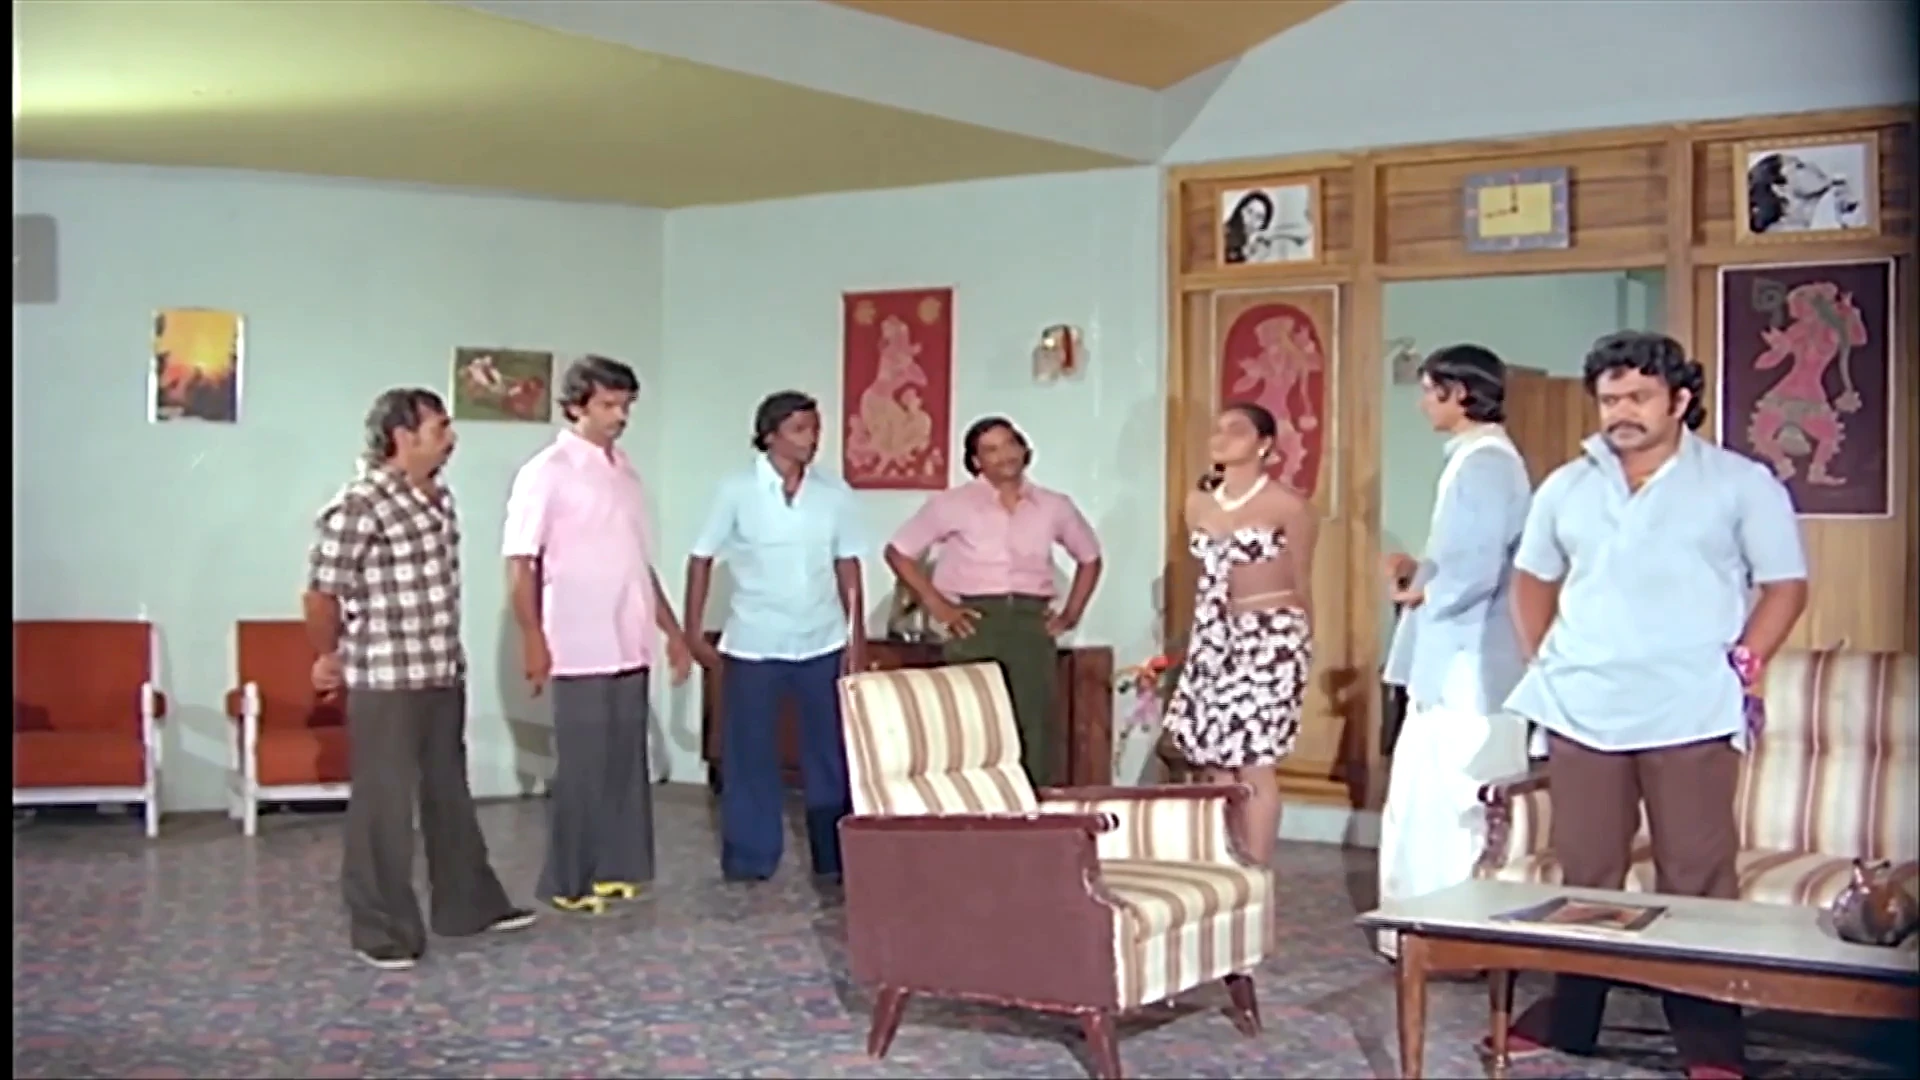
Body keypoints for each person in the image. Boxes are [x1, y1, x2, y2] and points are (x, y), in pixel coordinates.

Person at [1499, 332, 1808, 1080]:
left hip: (1692, 710)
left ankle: (1709, 1042)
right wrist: (1546, 660)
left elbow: (1785, 585)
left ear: (1680, 400)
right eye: (1610, 399)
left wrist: (1745, 663)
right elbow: (1532, 579)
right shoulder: (1566, 486)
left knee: (1696, 877)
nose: (1621, 413)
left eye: (1638, 397)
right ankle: (1572, 1023)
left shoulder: (1739, 483)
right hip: (1581, 710)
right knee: (1585, 878)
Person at [305, 388, 535, 972]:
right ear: (402, 437)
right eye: (440, 428)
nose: (451, 438)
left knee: (448, 793)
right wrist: (326, 654)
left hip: (439, 670)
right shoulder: (360, 504)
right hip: (386, 680)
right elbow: (323, 591)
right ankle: (380, 929)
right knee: (384, 806)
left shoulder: (438, 499)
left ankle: (468, 905)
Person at [502, 355, 693, 916]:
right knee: (582, 765)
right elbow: (520, 560)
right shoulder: (547, 471)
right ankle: (568, 879)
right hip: (577, 638)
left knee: (624, 762)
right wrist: (532, 636)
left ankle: (617, 868)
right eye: (608, 405)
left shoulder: (626, 472)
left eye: (625, 405)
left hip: (628, 636)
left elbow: (637, 562)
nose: (619, 416)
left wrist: (673, 632)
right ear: (576, 406)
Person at [1375, 345, 1532, 957]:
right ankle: (1430, 928)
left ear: (1459, 394)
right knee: (1430, 794)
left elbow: (1475, 568)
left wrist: (1417, 590)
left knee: (1449, 798)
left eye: (1428, 391)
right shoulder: (1475, 460)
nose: (1422, 404)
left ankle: (1443, 932)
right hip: (1461, 651)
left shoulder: (1486, 464)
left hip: (1468, 662)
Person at [684, 391, 865, 883]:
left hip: (822, 639)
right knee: (749, 755)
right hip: (755, 641)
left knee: (829, 755)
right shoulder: (736, 490)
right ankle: (751, 857)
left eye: (815, 429)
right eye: (800, 429)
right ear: (770, 435)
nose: (812, 439)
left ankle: (833, 858)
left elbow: (848, 564)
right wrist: (692, 631)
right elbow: (701, 559)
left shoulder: (833, 492)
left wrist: (856, 637)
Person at [884, 416, 1103, 785]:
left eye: (1010, 444)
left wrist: (1070, 615)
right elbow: (899, 552)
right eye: (991, 450)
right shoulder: (952, 504)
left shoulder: (1053, 505)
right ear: (975, 461)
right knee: (974, 724)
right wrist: (938, 605)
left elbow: (1090, 557)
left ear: (1024, 449)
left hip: (1030, 622)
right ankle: (975, 805)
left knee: (1034, 724)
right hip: (974, 620)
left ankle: (1033, 806)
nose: (1004, 456)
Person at [1162, 401, 1319, 867]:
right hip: (1215, 638)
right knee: (1216, 760)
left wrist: (1304, 648)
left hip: (1269, 639)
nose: (1222, 437)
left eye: (1237, 430)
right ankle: (1224, 867)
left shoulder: (1288, 505)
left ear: (1264, 444)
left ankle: (1257, 871)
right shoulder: (1198, 503)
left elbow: (1302, 580)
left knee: (1254, 760)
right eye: (1218, 429)